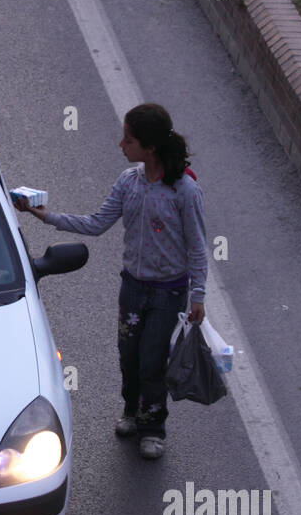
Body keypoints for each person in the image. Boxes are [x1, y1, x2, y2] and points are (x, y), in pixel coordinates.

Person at [14, 103, 207, 460]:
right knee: (129, 356)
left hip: (169, 292)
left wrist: (198, 295)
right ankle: (131, 411)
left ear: (149, 148)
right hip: (132, 287)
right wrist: (46, 217)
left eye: (129, 140)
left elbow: (197, 247)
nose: (121, 145)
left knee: (152, 360)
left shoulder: (184, 191)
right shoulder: (129, 183)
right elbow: (97, 222)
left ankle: (153, 426)